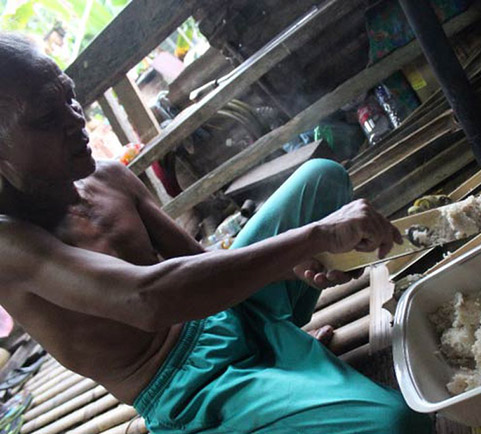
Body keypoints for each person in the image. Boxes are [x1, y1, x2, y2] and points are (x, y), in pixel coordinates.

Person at [0, 33, 431, 433]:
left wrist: (291, 265)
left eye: (70, 96)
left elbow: (197, 260)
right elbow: (146, 300)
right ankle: (277, 376)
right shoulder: (9, 244)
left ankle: (284, 358)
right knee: (395, 424)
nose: (74, 119)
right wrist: (315, 239)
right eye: (46, 116)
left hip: (225, 312)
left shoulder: (109, 177)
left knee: (321, 178)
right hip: (191, 388)